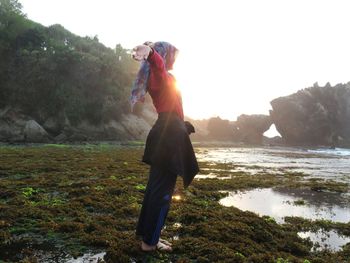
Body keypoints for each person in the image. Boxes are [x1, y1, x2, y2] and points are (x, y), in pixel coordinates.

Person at [131, 42, 199, 252]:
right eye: (173, 55)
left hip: (166, 131)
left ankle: (146, 235)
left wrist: (182, 124)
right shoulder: (159, 74)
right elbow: (158, 65)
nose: (175, 59)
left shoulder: (162, 77)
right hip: (168, 135)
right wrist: (151, 53)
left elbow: (173, 107)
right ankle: (150, 243)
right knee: (162, 193)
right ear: (164, 55)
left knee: (155, 188)